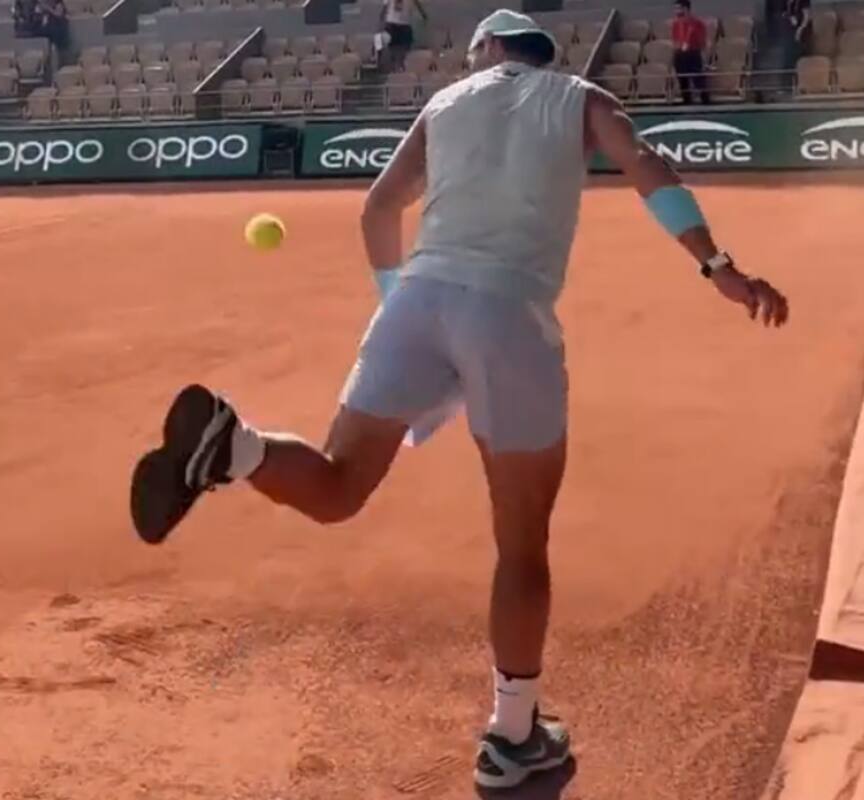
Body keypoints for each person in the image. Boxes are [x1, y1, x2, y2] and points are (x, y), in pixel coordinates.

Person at [129, 8, 788, 792]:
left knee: (339, 487)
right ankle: (513, 735)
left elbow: (377, 208)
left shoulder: (445, 105)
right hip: (509, 314)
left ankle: (238, 448)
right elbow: (646, 167)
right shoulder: (579, 98)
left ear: (488, 50)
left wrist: (394, 301)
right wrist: (716, 266)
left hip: (418, 302)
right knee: (520, 544)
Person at [671, 0, 709, 104]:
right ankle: (686, 101)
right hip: (680, 54)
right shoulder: (676, 24)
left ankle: (705, 101)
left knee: (698, 79)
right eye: (676, 8)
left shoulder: (698, 23)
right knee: (682, 79)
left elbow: (702, 40)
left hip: (693, 53)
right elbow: (675, 39)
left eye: (678, 8)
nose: (676, 11)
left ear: (686, 9)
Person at [379, 0, 428, 72]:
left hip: (397, 22)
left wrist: (382, 17)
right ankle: (397, 63)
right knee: (400, 46)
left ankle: (398, 63)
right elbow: (417, 4)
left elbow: (385, 6)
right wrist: (423, 14)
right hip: (398, 22)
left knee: (401, 46)